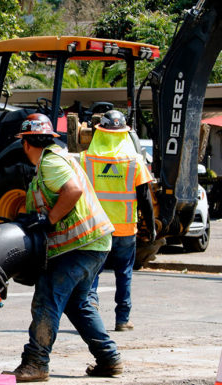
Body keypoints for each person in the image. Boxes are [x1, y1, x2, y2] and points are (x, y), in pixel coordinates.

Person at [3, 113, 122, 382]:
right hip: (94, 242)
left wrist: (49, 219)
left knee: (47, 298)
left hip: (78, 245)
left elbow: (73, 191)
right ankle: (109, 358)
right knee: (78, 304)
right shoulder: (60, 158)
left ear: (26, 143)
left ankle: (36, 363)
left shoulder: (50, 162)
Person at [80, 110, 155, 332]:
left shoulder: (87, 159)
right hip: (125, 229)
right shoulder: (134, 161)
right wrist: (150, 226)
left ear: (99, 131)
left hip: (96, 228)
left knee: (93, 272)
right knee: (124, 274)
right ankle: (122, 319)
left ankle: (91, 310)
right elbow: (145, 197)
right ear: (125, 133)